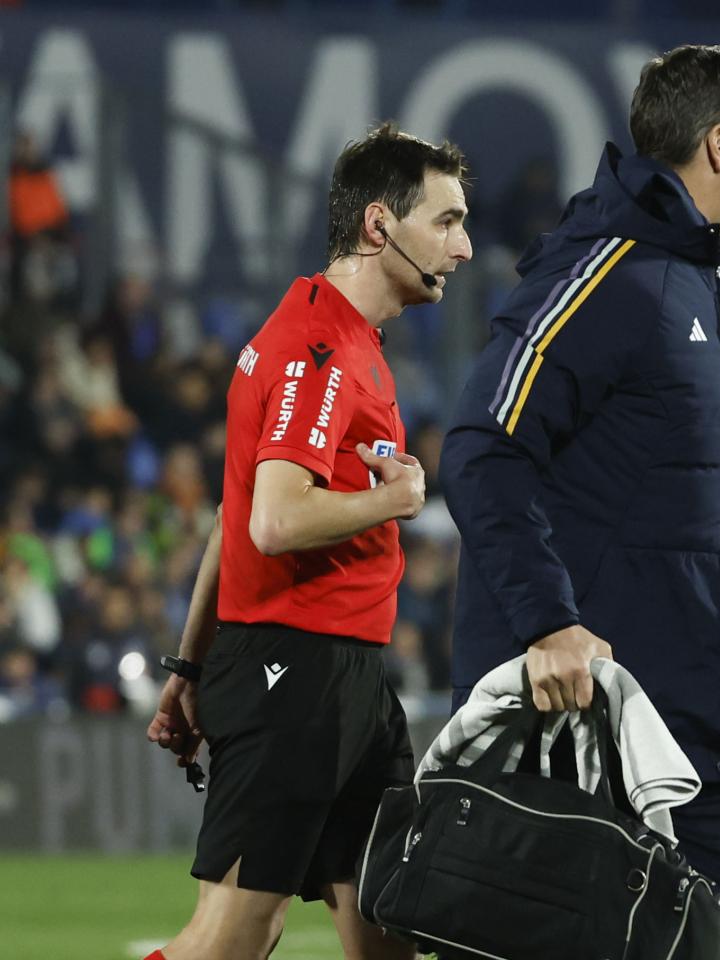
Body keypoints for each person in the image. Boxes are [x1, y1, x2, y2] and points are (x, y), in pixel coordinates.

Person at [438, 45, 720, 959]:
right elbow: (483, 447)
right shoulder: (606, 272)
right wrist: (547, 627)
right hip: (588, 714)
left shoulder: (704, 279)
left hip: (700, 714)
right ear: (717, 146)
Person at [142, 122, 472, 960]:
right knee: (234, 935)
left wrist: (187, 665)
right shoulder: (315, 350)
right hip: (294, 671)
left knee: (391, 926)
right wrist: (395, 496)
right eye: (445, 221)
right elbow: (275, 520)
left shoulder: (344, 342)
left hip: (344, 676)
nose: (463, 247)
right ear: (377, 225)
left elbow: (233, 516)